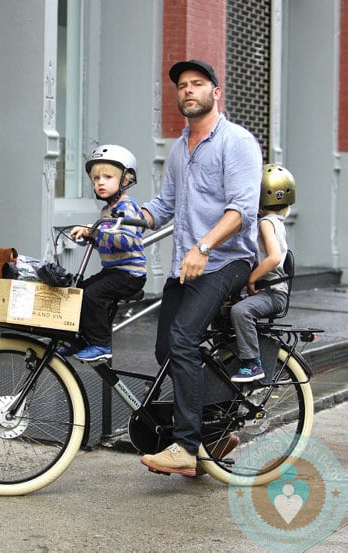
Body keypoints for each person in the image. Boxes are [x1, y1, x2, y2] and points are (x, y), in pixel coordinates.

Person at [139, 60, 263, 477]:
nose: (188, 90)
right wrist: (125, 218)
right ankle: (213, 430)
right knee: (166, 349)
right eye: (182, 86)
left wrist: (204, 246)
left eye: (198, 84)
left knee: (183, 337)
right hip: (187, 265)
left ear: (216, 92)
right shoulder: (180, 147)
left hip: (226, 260)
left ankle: (186, 447)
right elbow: (164, 206)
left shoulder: (237, 142)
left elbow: (242, 210)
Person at [59, 145, 147, 363]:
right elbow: (110, 244)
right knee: (79, 291)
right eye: (96, 178)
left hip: (130, 274)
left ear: (125, 180)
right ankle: (81, 340)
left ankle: (101, 344)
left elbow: (127, 239)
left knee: (93, 295)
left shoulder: (127, 206)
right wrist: (92, 238)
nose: (100, 182)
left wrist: (95, 230)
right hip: (113, 271)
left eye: (108, 177)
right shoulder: (106, 210)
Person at [230, 163, 296, 382]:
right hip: (274, 291)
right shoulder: (276, 221)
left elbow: (274, 257)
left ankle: (252, 362)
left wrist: (252, 279)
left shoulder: (267, 223)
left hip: (273, 293)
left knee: (241, 312)